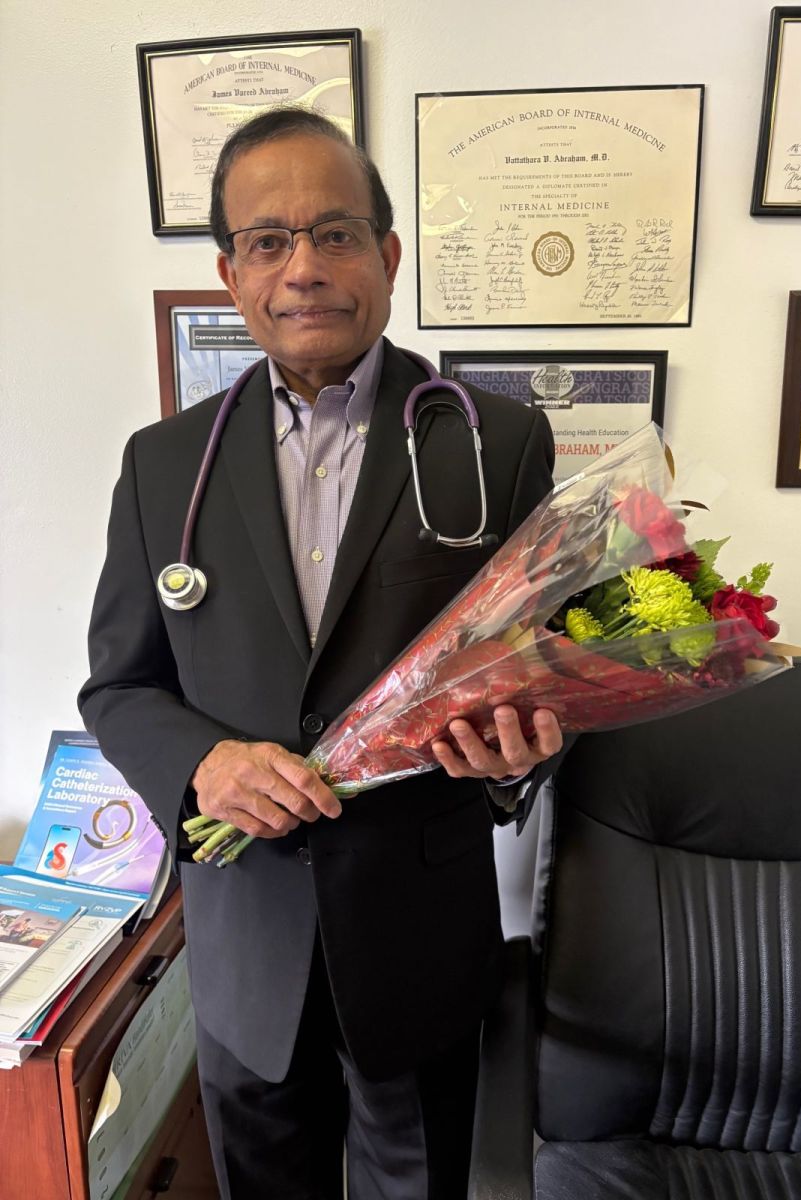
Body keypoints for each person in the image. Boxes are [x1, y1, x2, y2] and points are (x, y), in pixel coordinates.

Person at [79, 106, 561, 1200]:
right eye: (268, 240)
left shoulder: (496, 443)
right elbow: (119, 686)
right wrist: (204, 766)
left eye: (336, 234)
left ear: (387, 256)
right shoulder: (163, 465)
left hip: (417, 942)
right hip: (245, 949)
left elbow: (534, 674)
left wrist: (520, 757)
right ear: (231, 273)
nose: (303, 268)